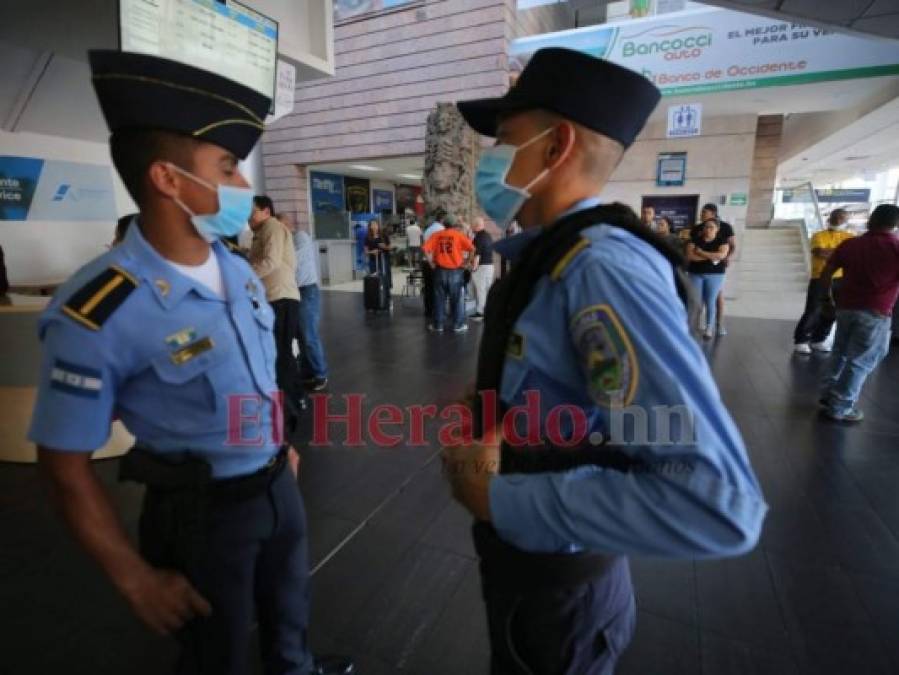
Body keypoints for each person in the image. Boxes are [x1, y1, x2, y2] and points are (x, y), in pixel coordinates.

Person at [27, 50, 352, 675]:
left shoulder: (233, 264)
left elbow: (257, 371)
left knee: (290, 609)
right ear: (168, 179)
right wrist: (135, 580)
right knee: (216, 651)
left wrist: (279, 442)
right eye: (227, 167)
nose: (241, 186)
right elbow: (63, 465)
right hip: (202, 513)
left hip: (275, 480)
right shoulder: (101, 306)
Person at [444, 47, 765, 675]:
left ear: (557, 144)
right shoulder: (550, 256)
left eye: (506, 138)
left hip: (560, 596)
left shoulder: (601, 267)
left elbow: (718, 502)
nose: (491, 160)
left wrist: (495, 500)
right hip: (531, 578)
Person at [818, 204, 899, 423]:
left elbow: (826, 273)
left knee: (840, 352)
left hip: (845, 308)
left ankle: (829, 394)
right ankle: (841, 406)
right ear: (894, 224)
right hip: (876, 312)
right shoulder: (895, 247)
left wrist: (826, 299)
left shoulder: (850, 244)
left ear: (871, 219)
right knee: (861, 360)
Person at [249, 195, 306, 413]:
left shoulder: (272, 227)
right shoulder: (260, 233)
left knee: (281, 352)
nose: (249, 217)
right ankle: (291, 396)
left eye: (253, 211)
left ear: (266, 211)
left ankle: (293, 399)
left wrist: (242, 275)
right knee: (278, 351)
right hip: (273, 298)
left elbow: (270, 262)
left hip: (281, 298)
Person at [792, 209, 854, 354]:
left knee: (833, 312)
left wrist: (832, 252)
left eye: (842, 218)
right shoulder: (819, 236)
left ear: (846, 220)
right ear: (830, 217)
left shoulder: (850, 237)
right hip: (819, 277)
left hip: (840, 278)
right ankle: (801, 340)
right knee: (813, 309)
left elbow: (848, 255)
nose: (839, 220)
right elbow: (819, 252)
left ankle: (818, 339)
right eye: (836, 217)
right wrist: (840, 253)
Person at [283, 214, 329, 393]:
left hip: (307, 290)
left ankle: (320, 373)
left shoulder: (300, 237)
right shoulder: (286, 242)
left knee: (309, 335)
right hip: (294, 291)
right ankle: (308, 371)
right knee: (300, 334)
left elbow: (290, 261)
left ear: (286, 225)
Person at [422, 216, 475, 333]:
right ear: (454, 224)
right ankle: (458, 325)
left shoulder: (436, 235)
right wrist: (466, 263)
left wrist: (431, 263)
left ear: (444, 224)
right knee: (457, 300)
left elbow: (425, 248)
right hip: (455, 272)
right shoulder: (458, 235)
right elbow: (472, 249)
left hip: (439, 271)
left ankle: (438, 325)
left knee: (439, 299)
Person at [691, 203, 735, 336]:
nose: (701, 214)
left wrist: (725, 258)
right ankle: (696, 324)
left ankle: (718, 325)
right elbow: (691, 253)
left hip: (716, 272)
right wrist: (713, 257)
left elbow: (729, 247)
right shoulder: (697, 229)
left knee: (715, 298)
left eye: (704, 212)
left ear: (713, 213)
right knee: (697, 300)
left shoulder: (725, 227)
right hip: (698, 271)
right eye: (701, 212)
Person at [420, 213, 446, 319]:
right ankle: (438, 311)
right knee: (438, 288)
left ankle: (428, 310)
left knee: (428, 287)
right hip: (436, 263)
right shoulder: (442, 229)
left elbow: (424, 246)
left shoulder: (428, 229)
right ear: (443, 220)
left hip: (426, 261)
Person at [470, 217, 495, 320]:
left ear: (476, 226)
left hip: (481, 267)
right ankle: (488, 311)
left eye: (472, 225)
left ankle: (480, 312)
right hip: (490, 266)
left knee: (481, 290)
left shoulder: (478, 238)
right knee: (487, 289)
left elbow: (477, 254)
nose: (471, 227)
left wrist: (474, 268)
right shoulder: (488, 235)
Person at [364, 219, 393, 295]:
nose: (374, 226)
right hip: (373, 261)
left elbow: (390, 247)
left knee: (384, 276)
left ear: (378, 225)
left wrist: (384, 247)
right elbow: (366, 251)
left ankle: (387, 294)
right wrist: (372, 252)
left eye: (375, 224)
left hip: (383, 260)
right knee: (374, 278)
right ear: (370, 227)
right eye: (372, 225)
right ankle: (376, 296)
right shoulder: (368, 237)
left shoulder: (384, 236)